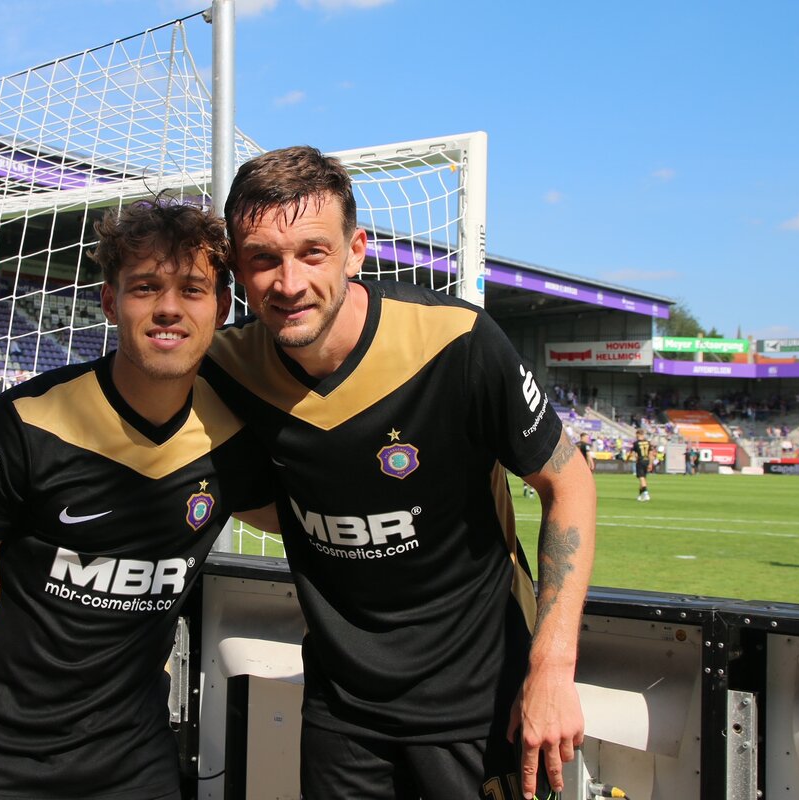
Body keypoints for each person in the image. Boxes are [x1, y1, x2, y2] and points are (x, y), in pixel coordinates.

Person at [202, 146, 596, 800]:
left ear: (356, 251)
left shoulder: (456, 343)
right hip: (340, 710)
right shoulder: (224, 368)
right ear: (239, 272)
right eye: (264, 259)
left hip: (482, 698)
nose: (290, 282)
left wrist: (553, 669)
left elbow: (569, 482)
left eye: (313, 252)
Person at [0, 200, 277, 800]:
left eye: (192, 289)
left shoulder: (233, 437)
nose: (169, 308)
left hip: (137, 767)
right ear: (109, 301)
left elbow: (311, 514)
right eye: (145, 287)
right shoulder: (27, 423)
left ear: (223, 308)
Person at [631, 428, 654, 501]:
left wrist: (632, 459)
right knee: (643, 478)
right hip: (647, 460)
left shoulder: (636, 443)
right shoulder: (648, 443)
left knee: (641, 478)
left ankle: (646, 493)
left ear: (638, 434)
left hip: (640, 461)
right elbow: (651, 454)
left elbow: (634, 454)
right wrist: (650, 464)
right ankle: (641, 495)